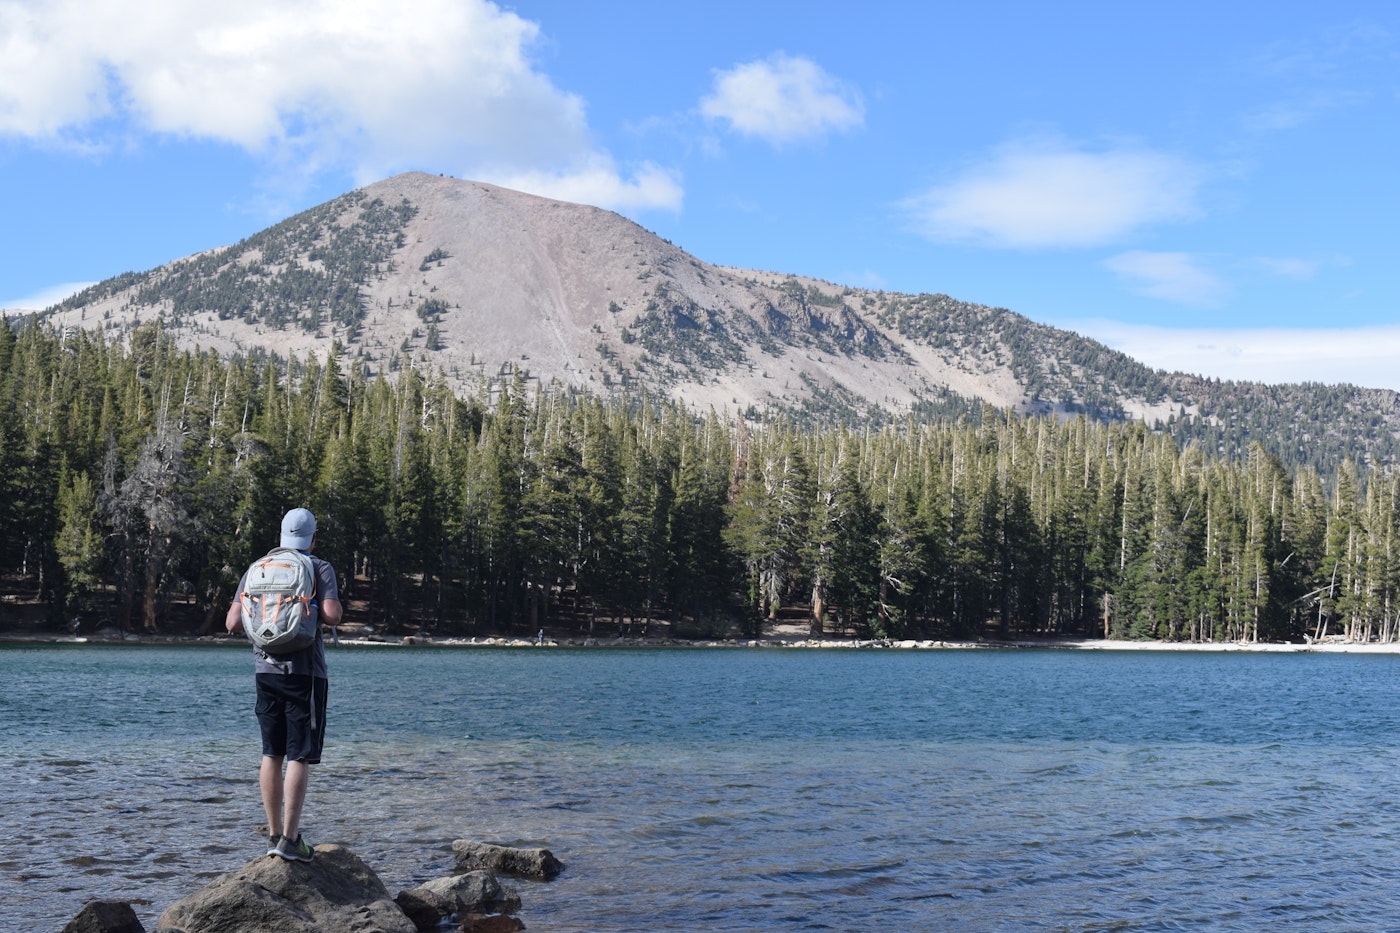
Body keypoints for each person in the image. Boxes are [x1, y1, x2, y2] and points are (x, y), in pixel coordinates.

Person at [225, 507, 342, 862]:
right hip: (305, 673)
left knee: (270, 753)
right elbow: (333, 615)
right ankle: (291, 840)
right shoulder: (319, 567)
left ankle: (273, 833)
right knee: (299, 755)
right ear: (313, 538)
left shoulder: (257, 568)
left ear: (280, 535)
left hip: (265, 671)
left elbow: (231, 622)